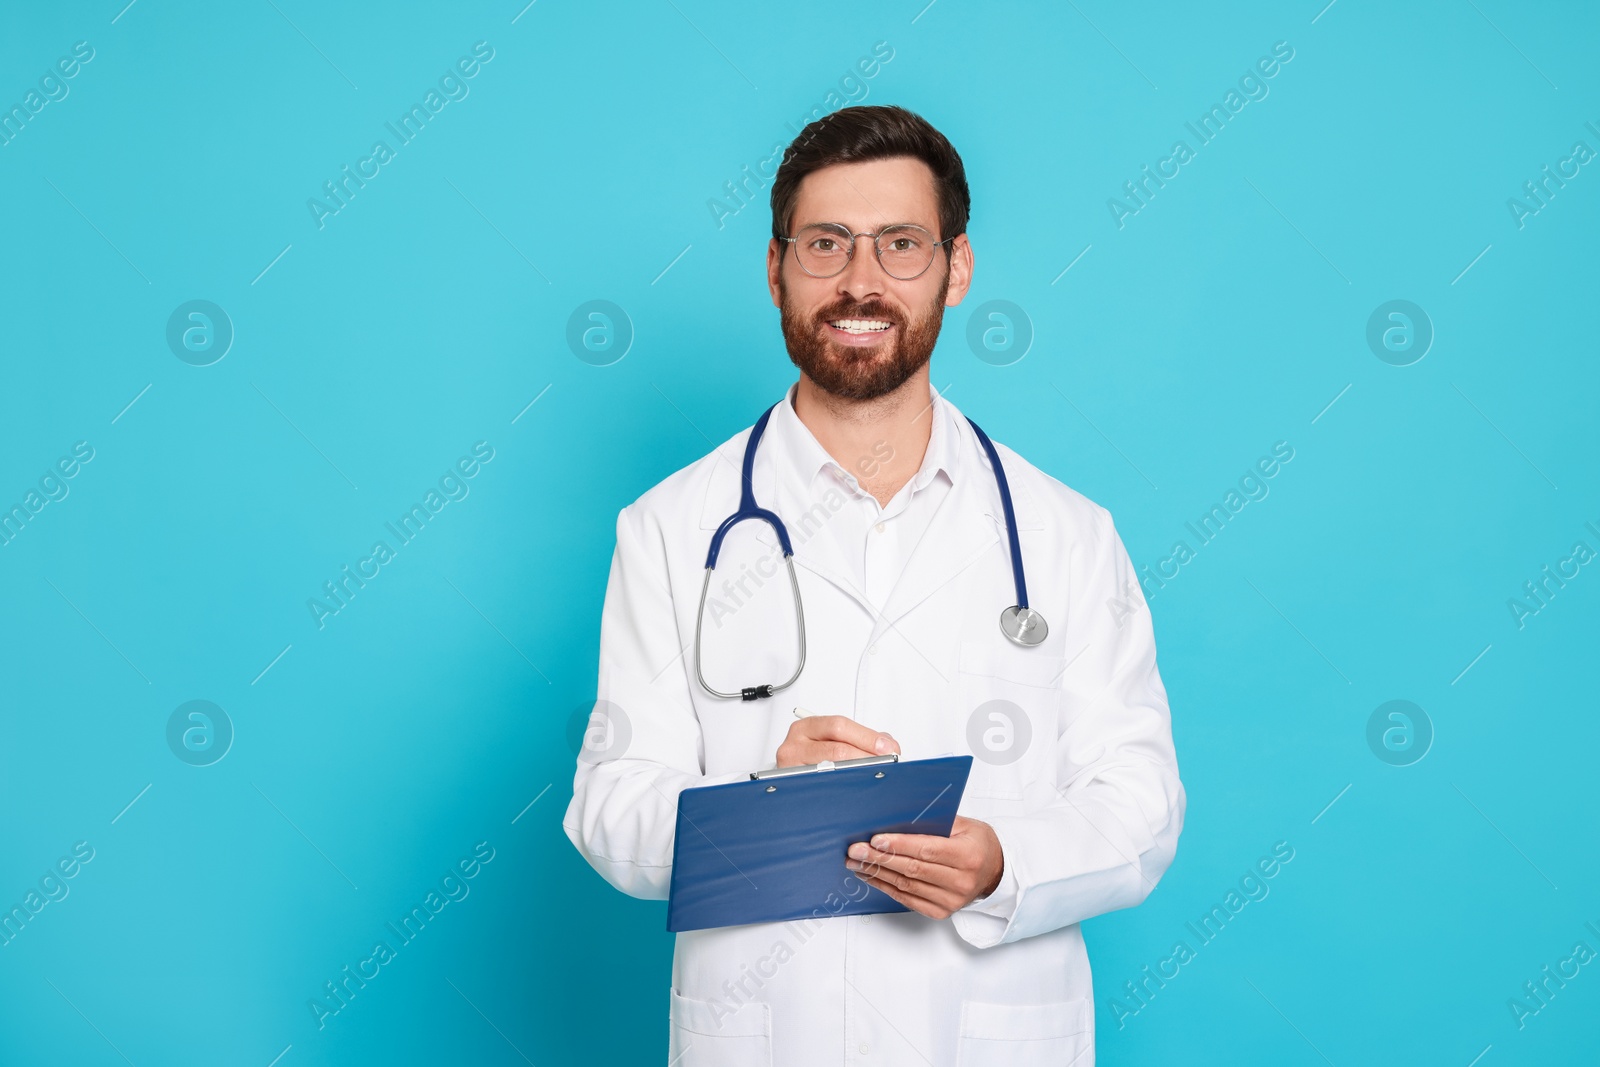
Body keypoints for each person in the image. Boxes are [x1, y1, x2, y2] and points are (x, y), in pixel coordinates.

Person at [563, 104, 1184, 1066]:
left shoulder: (1065, 534)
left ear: (956, 267)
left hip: (988, 1032)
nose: (861, 281)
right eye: (826, 244)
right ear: (775, 270)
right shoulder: (669, 529)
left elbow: (1140, 805)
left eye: (901, 244)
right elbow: (608, 807)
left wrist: (1001, 862)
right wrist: (756, 799)